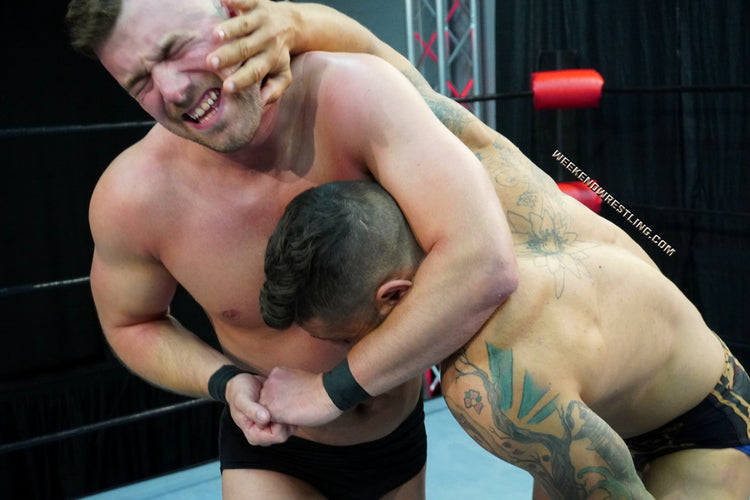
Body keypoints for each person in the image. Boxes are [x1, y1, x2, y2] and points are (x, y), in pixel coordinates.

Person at [65, 0, 520, 498]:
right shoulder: (134, 197)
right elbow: (131, 323)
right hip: (274, 451)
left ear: (231, 10)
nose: (172, 90)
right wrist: (224, 381)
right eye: (140, 83)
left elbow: (483, 260)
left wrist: (332, 390)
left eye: (177, 49)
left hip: (398, 435)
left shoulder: (352, 95)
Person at [261, 179, 750, 500]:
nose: (353, 357)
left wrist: (330, 391)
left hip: (701, 435)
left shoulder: (488, 381)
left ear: (394, 295)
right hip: (623, 399)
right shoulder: (487, 180)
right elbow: (390, 76)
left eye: (351, 339)